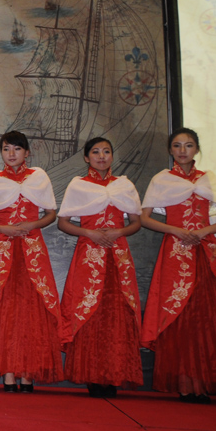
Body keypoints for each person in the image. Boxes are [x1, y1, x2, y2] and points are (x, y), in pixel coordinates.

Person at [0, 130, 64, 392]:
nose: (11, 154)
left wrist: (33, 224)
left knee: (32, 308)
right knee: (4, 308)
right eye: (6, 149)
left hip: (32, 249)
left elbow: (51, 214)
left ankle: (28, 373)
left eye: (17, 149)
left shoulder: (39, 176)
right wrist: (3, 229)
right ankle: (9, 372)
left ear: (27, 152)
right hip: (3, 250)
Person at [139, 128, 216, 403]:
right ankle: (185, 384)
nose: (182, 151)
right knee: (178, 315)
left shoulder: (209, 179)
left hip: (206, 252)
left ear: (197, 149)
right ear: (170, 150)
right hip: (176, 253)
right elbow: (144, 218)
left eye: (188, 145)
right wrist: (175, 229)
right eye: (177, 146)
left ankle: (205, 382)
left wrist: (204, 231)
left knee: (207, 317)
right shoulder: (162, 179)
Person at [56, 137, 143, 397]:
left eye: (106, 151)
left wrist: (119, 231)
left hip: (118, 255)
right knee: (88, 312)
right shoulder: (78, 185)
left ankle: (114, 375)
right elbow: (63, 223)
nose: (101, 156)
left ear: (112, 156)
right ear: (86, 158)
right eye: (95, 152)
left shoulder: (124, 185)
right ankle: (92, 375)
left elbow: (136, 222)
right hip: (89, 254)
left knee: (117, 314)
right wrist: (89, 233)